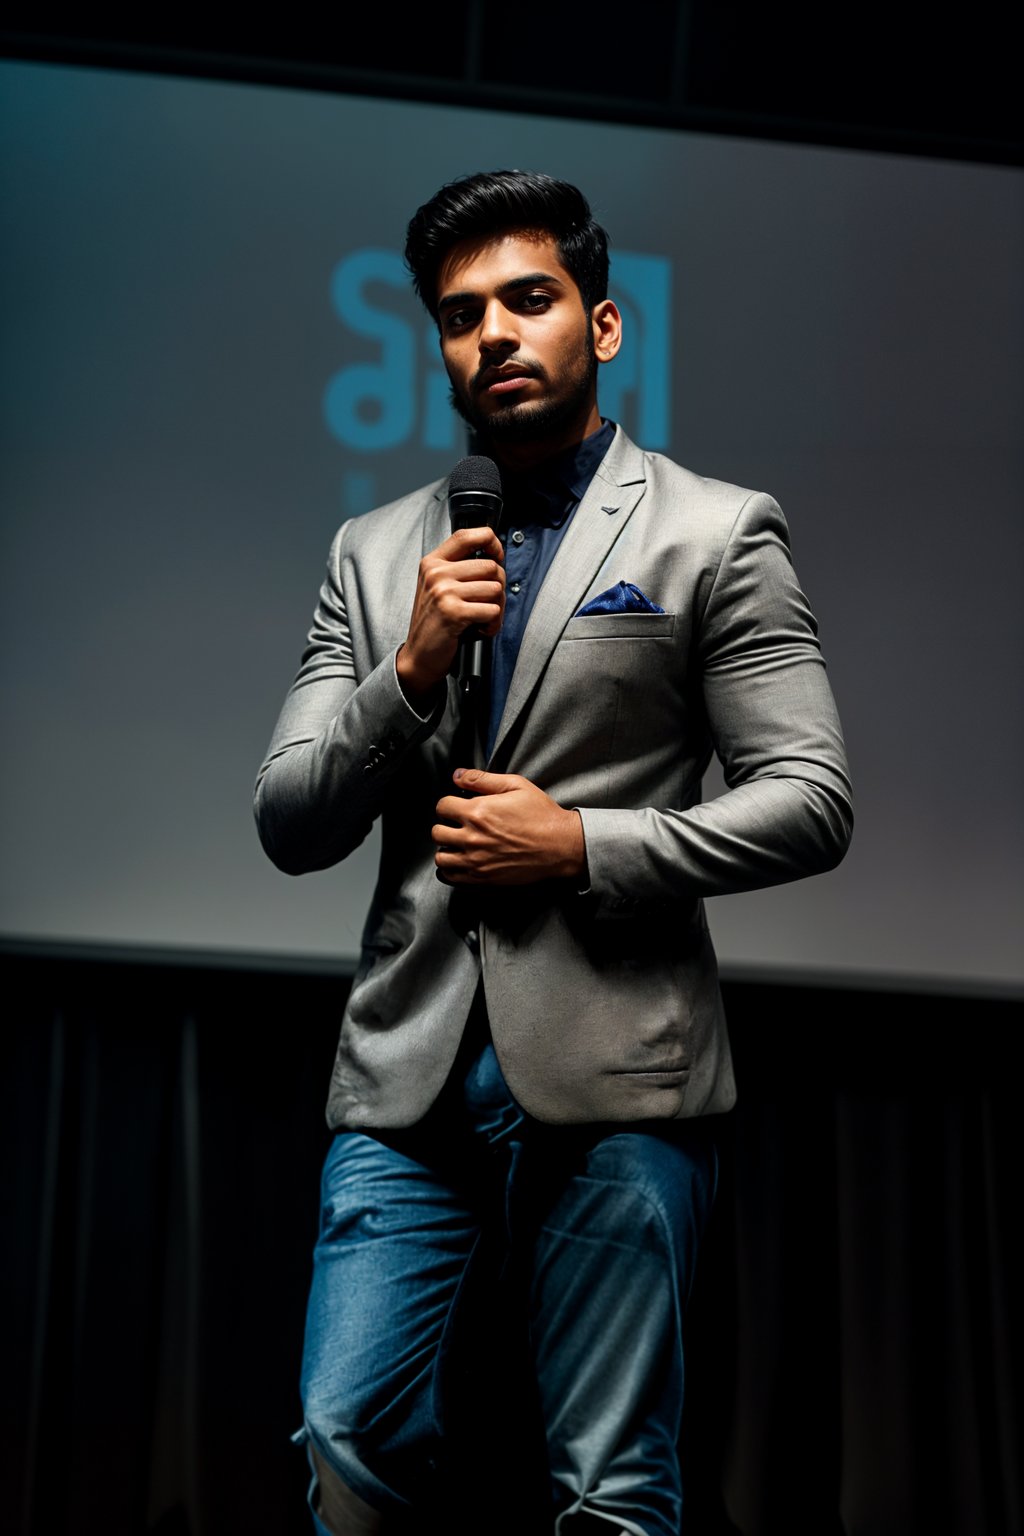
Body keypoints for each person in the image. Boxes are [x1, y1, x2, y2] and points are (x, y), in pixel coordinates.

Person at [255, 170, 852, 1536]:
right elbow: (291, 817)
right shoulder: (374, 553)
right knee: (347, 1439)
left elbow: (811, 796)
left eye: (530, 301)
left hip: (622, 1068)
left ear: (607, 324)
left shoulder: (714, 531)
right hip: (405, 1080)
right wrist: (407, 669)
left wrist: (581, 843)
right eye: (462, 317)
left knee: (608, 1487)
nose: (496, 338)